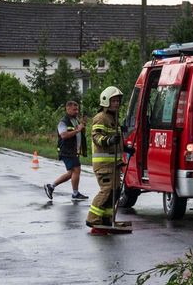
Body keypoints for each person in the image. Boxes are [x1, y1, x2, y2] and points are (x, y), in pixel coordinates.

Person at [86, 86, 129, 230]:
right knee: (107, 190)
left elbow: (117, 140)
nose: (117, 103)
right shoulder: (101, 117)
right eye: (114, 101)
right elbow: (96, 137)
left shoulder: (113, 118)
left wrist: (126, 148)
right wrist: (109, 140)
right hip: (104, 164)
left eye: (118, 101)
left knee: (115, 191)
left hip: (114, 163)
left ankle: (107, 219)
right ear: (105, 101)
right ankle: (93, 218)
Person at [44, 100, 87, 202]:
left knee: (71, 172)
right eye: (74, 109)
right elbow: (63, 135)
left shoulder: (75, 120)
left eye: (77, 109)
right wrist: (77, 130)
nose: (76, 111)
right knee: (76, 170)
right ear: (67, 109)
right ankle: (74, 193)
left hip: (73, 150)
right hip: (66, 151)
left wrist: (82, 127)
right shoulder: (63, 122)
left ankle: (52, 187)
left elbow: (79, 132)